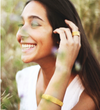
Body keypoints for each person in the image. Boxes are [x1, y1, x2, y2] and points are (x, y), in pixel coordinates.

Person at [16, 0, 100, 110]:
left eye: (35, 24)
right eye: (21, 24)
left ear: (63, 34)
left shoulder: (88, 96)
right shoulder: (24, 78)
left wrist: (63, 69)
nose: (20, 34)